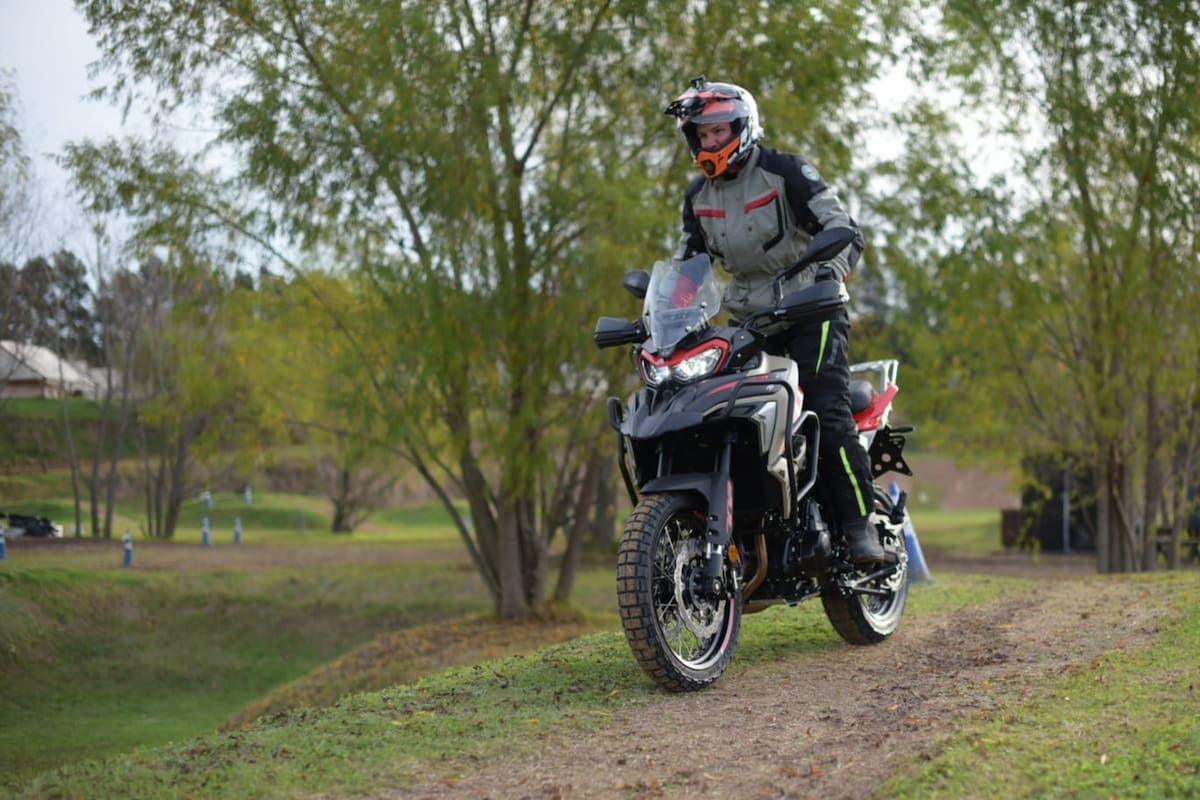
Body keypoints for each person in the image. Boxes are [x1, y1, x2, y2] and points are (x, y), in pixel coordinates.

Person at [664, 76, 884, 566]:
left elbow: (844, 229)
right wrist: (667, 313)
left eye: (718, 131)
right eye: (701, 134)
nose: (709, 142)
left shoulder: (785, 171)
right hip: (750, 321)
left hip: (811, 310)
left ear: (742, 127)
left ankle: (859, 525)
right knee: (721, 414)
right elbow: (688, 269)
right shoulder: (698, 197)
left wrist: (827, 274)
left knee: (825, 409)